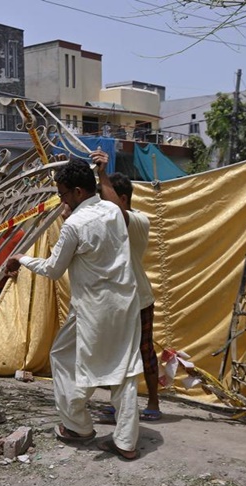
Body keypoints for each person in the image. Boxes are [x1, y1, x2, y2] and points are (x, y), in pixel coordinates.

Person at [6, 158, 143, 460]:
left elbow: (54, 270)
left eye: (64, 194)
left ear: (78, 192)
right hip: (124, 303)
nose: (62, 201)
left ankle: (78, 426)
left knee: (65, 358)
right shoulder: (113, 211)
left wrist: (22, 258)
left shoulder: (74, 225)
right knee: (124, 370)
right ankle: (125, 442)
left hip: (93, 308)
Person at [91, 149, 161, 421]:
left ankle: (153, 402)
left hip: (139, 298)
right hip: (114, 300)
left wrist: (102, 174)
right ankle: (117, 401)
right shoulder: (109, 223)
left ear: (122, 199)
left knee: (145, 351)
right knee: (115, 354)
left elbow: (118, 214)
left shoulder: (139, 220)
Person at [0, 227, 25, 316]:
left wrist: (17, 270)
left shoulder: (20, 234)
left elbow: (26, 258)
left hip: (16, 285)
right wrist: (2, 272)